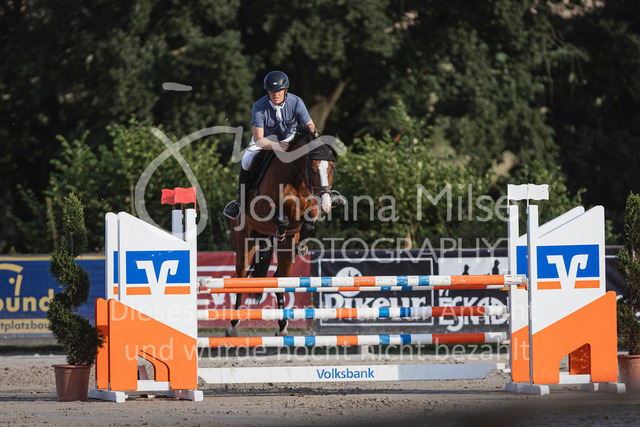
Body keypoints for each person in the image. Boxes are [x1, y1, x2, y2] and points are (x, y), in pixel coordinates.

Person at [223, 71, 318, 219]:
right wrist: (276, 146)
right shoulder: (259, 106)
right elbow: (259, 139)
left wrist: (312, 139)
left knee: (316, 158)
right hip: (266, 140)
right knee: (246, 161)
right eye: (272, 91)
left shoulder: (296, 102)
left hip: (291, 138)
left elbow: (311, 126)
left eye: (279, 91)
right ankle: (240, 203)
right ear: (267, 91)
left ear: (285, 90)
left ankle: (325, 194)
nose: (275, 94)